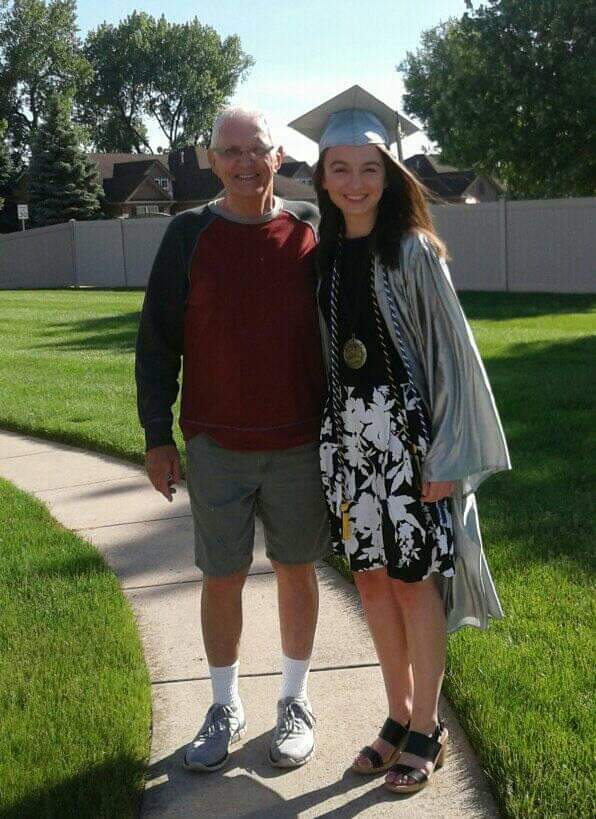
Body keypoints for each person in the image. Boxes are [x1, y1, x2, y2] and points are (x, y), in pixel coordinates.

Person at [289, 86, 511, 794]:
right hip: (351, 444)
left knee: (416, 587)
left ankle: (426, 724)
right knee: (372, 582)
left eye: (370, 168)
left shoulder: (413, 252)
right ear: (322, 178)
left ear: (390, 177)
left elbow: (453, 353)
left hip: (411, 445)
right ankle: (394, 716)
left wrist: (447, 454)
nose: (355, 183)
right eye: (341, 169)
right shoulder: (323, 258)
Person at [135, 107, 330, 772]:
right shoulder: (187, 235)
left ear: (278, 156)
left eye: (257, 149)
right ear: (213, 161)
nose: (245, 162)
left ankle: (294, 701)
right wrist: (157, 436)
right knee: (221, 577)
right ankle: (224, 704)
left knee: (296, 570)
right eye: (230, 151)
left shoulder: (309, 229)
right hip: (216, 442)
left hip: (299, 440)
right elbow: (156, 342)